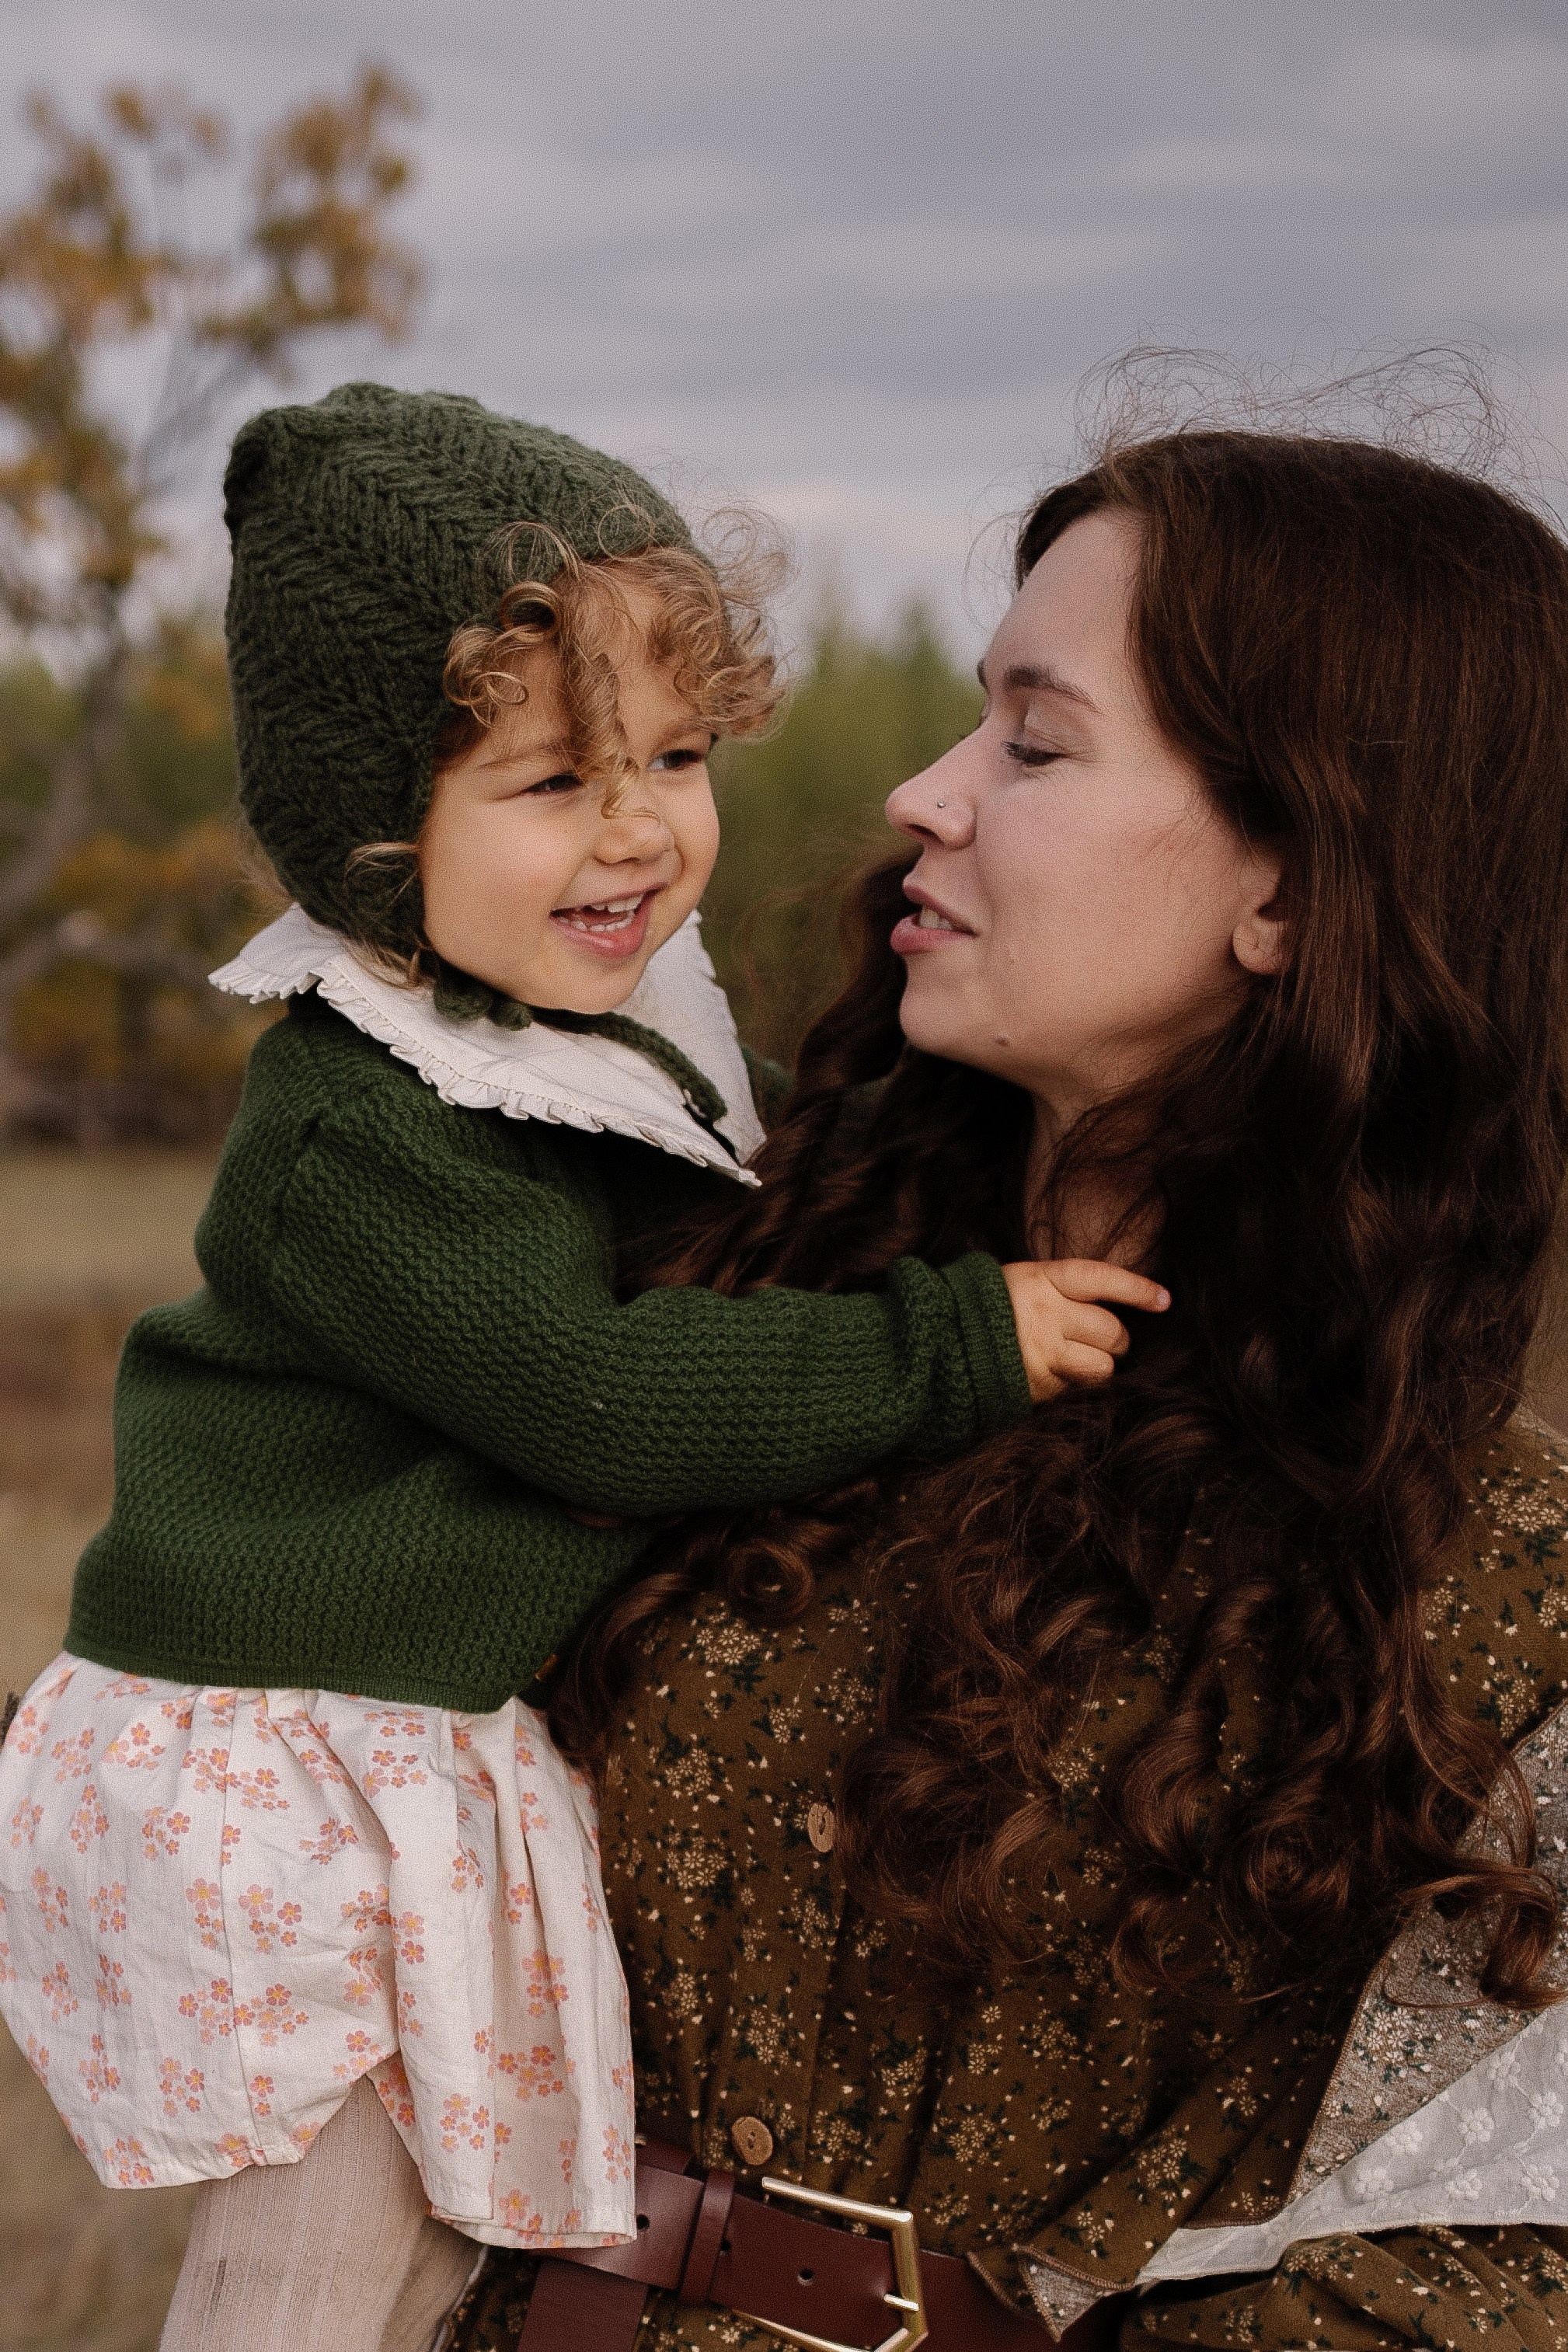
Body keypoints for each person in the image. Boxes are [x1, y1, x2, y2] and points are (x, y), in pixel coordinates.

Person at [0, 384, 1160, 2352]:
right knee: (325, 2249)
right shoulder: (362, 1117)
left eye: (681, 756)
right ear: (377, 835)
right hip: (305, 1755)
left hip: (408, 1723)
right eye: (552, 785)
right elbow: (597, 1395)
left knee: (454, 2226)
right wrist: (953, 1335)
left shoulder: (584, 1013)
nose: (640, 828)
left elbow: (745, 1177)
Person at [449, 421, 1568, 2352]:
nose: (923, 793)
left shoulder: (1504, 1591)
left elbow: (1473, 2262)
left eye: (1033, 745)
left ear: (1292, 891)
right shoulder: (696, 1310)